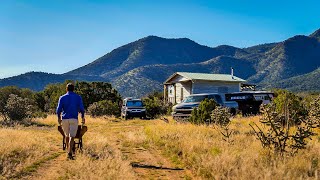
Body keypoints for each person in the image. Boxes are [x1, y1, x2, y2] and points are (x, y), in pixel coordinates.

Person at [56, 83, 85, 159]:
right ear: (73, 89)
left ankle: (68, 150)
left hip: (65, 119)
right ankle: (69, 152)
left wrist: (59, 118)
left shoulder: (62, 97)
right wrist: (83, 117)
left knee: (66, 135)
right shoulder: (78, 97)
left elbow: (58, 110)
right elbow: (82, 109)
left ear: (66, 89)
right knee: (72, 136)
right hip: (74, 118)